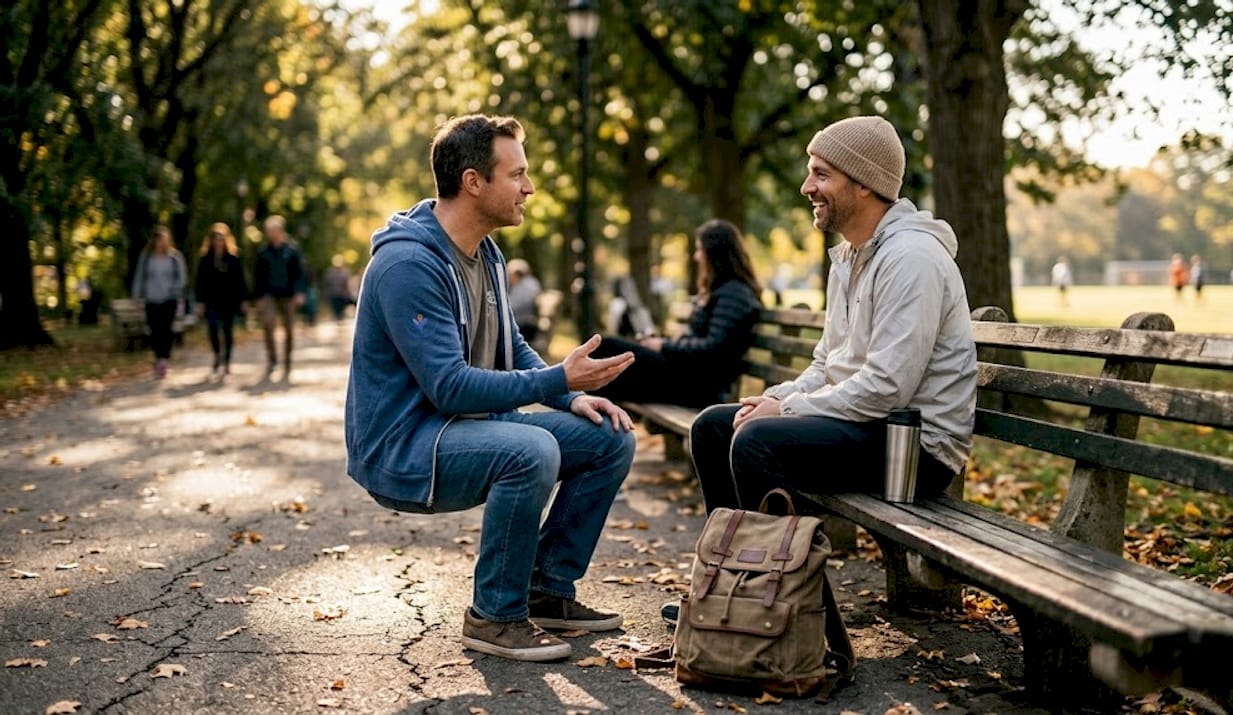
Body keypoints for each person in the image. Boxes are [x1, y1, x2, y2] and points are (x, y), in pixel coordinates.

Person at [344, 114, 637, 663]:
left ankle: (545, 590)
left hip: (461, 430)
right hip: (406, 446)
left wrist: (570, 396)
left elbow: (510, 346)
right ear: (474, 182)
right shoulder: (407, 264)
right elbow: (450, 387)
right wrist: (558, 377)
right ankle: (494, 616)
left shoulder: (487, 253)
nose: (529, 188)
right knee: (532, 450)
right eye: (517, 174)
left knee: (609, 437)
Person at [667, 116, 978, 624]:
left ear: (863, 183)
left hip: (915, 447)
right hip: (867, 426)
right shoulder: (851, 258)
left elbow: (886, 387)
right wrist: (771, 398)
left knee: (757, 441)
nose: (807, 186)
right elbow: (826, 365)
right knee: (714, 426)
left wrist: (783, 410)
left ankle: (787, 611)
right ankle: (727, 591)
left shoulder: (912, 259)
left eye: (821, 174)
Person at [587, 218, 764, 408]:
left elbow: (713, 349)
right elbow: (704, 341)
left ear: (714, 253)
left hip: (698, 386)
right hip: (687, 376)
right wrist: (663, 342)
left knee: (606, 349)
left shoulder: (735, 295)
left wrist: (663, 346)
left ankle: (588, 420)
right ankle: (590, 416)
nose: (696, 257)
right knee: (606, 353)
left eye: (699, 249)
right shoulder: (726, 291)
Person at [131, 225, 189, 379]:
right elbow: (139, 278)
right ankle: (157, 358)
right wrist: (137, 297)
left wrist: (175, 291)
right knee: (154, 330)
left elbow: (182, 278)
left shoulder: (174, 257)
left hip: (169, 299)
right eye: (159, 240)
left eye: (164, 240)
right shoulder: (146, 258)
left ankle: (165, 359)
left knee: (167, 330)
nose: (161, 243)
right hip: (152, 299)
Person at [253, 214, 306, 378]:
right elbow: (258, 276)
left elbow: (300, 273)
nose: (271, 234)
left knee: (289, 330)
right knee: (268, 325)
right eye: (268, 231)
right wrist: (258, 297)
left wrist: (299, 292)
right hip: (269, 294)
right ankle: (272, 360)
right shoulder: (263, 252)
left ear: (281, 231)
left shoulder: (292, 250)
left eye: (274, 230)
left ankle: (288, 361)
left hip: (289, 295)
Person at [194, 222, 249, 376]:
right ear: (211, 240)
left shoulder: (233, 258)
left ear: (226, 240)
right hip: (211, 301)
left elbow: (240, 281)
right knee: (212, 328)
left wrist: (244, 300)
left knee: (227, 331)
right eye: (216, 239)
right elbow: (199, 282)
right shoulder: (205, 259)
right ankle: (217, 354)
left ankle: (227, 361)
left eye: (221, 238)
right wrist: (199, 301)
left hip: (229, 301)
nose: (218, 242)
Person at [506, 258, 544, 344]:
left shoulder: (527, 286)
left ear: (516, 274)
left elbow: (514, 306)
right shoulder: (528, 284)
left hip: (524, 325)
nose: (508, 277)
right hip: (521, 323)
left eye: (510, 274)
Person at [323, 255, 353, 320]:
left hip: (342, 295)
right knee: (335, 311)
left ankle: (340, 318)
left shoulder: (345, 272)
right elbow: (327, 284)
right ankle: (337, 319)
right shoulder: (330, 272)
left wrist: (348, 293)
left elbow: (347, 284)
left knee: (341, 311)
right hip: (333, 295)